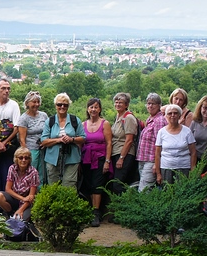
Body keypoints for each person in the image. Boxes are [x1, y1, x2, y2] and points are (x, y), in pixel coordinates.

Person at [40, 93, 85, 189]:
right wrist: (59, 140)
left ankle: (68, 204)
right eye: (59, 104)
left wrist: (71, 139)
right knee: (53, 185)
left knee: (69, 184)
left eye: (65, 105)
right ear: (55, 105)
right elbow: (43, 141)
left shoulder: (75, 120)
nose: (62, 107)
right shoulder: (50, 121)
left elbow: (83, 138)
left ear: (68, 106)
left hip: (71, 157)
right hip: (52, 158)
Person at [80, 98, 111, 227]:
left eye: (96, 107)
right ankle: (89, 212)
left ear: (100, 109)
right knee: (88, 184)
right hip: (86, 158)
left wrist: (107, 161)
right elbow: (81, 142)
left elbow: (109, 143)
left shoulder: (105, 123)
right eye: (91, 107)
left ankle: (96, 212)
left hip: (100, 157)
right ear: (87, 109)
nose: (93, 109)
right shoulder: (83, 124)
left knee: (97, 185)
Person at [154, 104, 196, 186]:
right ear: (166, 116)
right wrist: (158, 173)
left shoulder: (187, 131)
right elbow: (157, 154)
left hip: (184, 168)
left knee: (183, 192)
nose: (172, 115)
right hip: (166, 168)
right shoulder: (161, 132)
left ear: (179, 115)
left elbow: (193, 152)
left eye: (175, 113)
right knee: (167, 193)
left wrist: (193, 170)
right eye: (170, 113)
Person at [0, 148, 39, 220]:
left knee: (20, 220)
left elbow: (31, 196)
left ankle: (18, 215)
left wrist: (20, 210)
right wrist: (22, 198)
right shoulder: (12, 168)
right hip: (16, 198)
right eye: (21, 158)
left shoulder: (33, 172)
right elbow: (8, 189)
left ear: (29, 160)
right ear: (16, 159)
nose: (23, 160)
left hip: (28, 203)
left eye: (26, 158)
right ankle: (10, 214)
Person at [136, 93, 167, 191]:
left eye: (153, 103)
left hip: (151, 160)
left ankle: (145, 206)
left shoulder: (159, 121)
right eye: (148, 103)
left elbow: (161, 144)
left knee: (144, 190)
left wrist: (156, 164)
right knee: (145, 188)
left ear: (159, 105)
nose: (150, 106)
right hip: (143, 159)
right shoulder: (150, 119)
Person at [17, 90, 49, 186]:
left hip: (43, 149)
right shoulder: (23, 118)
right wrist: (26, 155)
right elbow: (22, 139)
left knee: (42, 174)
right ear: (27, 103)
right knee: (31, 174)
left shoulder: (44, 115)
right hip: (31, 150)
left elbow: (48, 130)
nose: (36, 104)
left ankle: (41, 196)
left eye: (38, 102)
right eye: (34, 102)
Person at [110, 92, 139, 194]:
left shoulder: (128, 118)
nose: (117, 104)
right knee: (117, 182)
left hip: (125, 154)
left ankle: (127, 205)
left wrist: (121, 158)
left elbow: (129, 140)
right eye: (116, 102)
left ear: (126, 105)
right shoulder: (118, 117)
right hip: (116, 152)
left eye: (120, 103)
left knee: (118, 184)